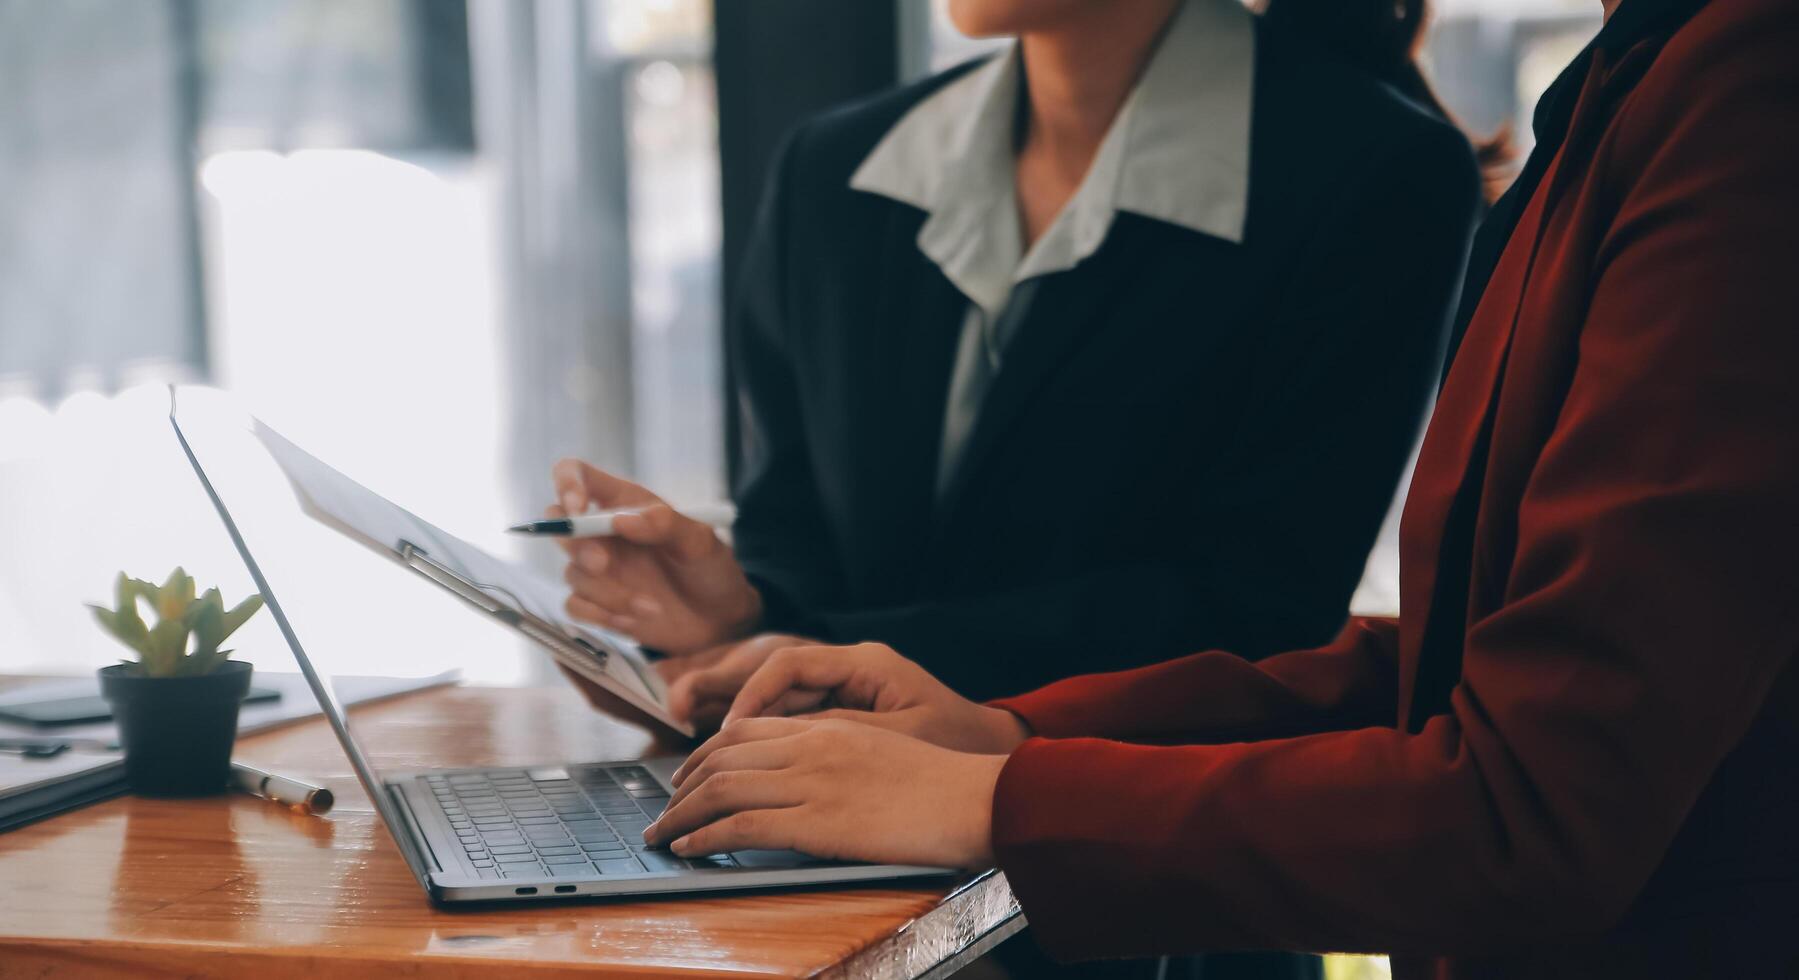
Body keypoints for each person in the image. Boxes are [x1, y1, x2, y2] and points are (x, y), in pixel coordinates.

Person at [633, 0, 1799, 976]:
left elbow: (1529, 795)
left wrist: (997, 795)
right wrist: (1009, 732)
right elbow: (1459, 672)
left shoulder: (1736, 89)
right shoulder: (1636, 78)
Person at [551, 0, 1484, 733]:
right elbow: (807, 542)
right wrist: (736, 612)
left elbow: (1251, 611)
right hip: (815, 865)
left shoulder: (1377, 176)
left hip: (1142, 902)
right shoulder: (834, 173)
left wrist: (810, 652)